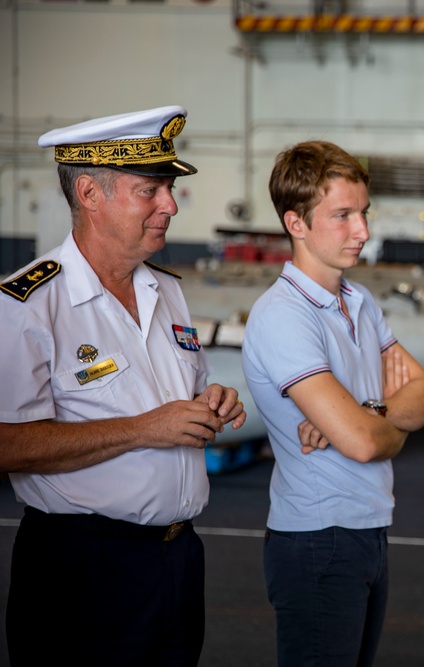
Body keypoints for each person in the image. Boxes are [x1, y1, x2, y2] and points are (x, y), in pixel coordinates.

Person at [0, 106, 248, 666]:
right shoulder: (28, 305)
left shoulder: (168, 291)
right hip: (83, 569)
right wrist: (143, 430)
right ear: (90, 193)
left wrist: (213, 401)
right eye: (151, 190)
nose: (171, 205)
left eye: (169, 189)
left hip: (179, 562)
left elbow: (187, 390)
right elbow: (7, 444)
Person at [241, 140, 424, 667]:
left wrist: (370, 413)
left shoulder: (359, 301)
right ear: (296, 223)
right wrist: (368, 424)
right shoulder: (283, 315)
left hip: (366, 530)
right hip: (317, 541)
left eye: (364, 213)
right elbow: (361, 443)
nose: (364, 232)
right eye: (343, 216)